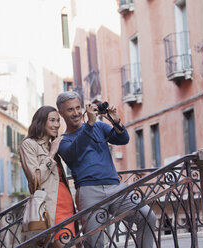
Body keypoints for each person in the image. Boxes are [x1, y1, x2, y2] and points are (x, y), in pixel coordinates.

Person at [56, 91, 156, 248]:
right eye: (70, 110)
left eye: (77, 108)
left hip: (115, 188)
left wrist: (115, 121)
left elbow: (123, 139)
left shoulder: (99, 126)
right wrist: (89, 124)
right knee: (94, 242)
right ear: (61, 112)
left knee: (147, 216)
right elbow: (75, 151)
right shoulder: (62, 141)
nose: (76, 113)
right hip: (89, 193)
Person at [19, 106, 77, 247]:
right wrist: (51, 155)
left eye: (58, 120)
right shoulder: (29, 145)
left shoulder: (52, 145)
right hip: (51, 208)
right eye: (52, 120)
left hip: (68, 207)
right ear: (41, 122)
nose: (56, 124)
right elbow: (35, 178)